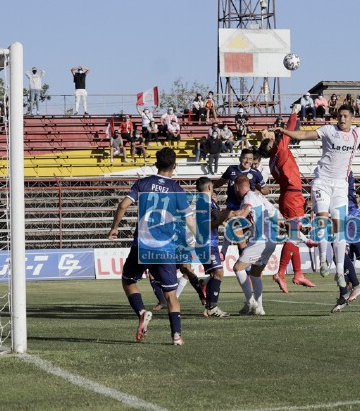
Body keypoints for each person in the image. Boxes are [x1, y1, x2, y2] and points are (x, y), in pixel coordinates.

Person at [278, 83, 360, 312]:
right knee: (322, 218)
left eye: (345, 116)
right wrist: (286, 132)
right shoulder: (328, 130)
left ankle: (342, 279)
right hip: (322, 181)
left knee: (339, 228)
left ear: (352, 118)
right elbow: (304, 134)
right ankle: (323, 260)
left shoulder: (357, 133)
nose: (342, 119)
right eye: (340, 115)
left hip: (341, 187)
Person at [108, 147, 195, 345]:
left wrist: (115, 228)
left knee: (128, 280)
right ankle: (176, 336)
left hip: (142, 246)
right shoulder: (177, 190)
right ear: (175, 166)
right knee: (171, 295)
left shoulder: (143, 183)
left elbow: (122, 205)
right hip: (165, 248)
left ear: (156, 164)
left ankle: (141, 311)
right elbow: (190, 220)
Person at [258, 106, 317, 293]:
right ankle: (281, 272)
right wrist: (294, 113)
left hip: (289, 195)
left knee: (295, 237)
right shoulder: (280, 149)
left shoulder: (271, 160)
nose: (272, 138)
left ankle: (298, 273)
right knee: (293, 237)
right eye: (269, 140)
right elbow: (290, 128)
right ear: (270, 147)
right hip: (292, 196)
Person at [230, 175, 277, 316]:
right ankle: (260, 308)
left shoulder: (248, 197)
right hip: (271, 241)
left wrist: (232, 218)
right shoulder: (259, 198)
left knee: (238, 268)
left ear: (237, 187)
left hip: (260, 241)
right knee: (255, 275)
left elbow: (244, 212)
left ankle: (250, 301)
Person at [194, 177, 233, 317]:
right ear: (209, 187)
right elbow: (208, 225)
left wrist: (228, 217)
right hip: (206, 243)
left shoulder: (209, 202)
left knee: (214, 274)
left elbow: (217, 218)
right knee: (218, 273)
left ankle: (210, 307)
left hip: (211, 243)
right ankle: (212, 307)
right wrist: (228, 214)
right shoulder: (204, 202)